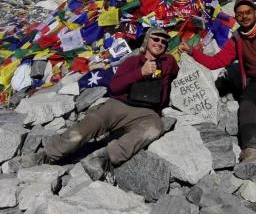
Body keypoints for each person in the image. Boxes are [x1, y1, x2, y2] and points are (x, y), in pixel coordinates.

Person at [44, 28, 179, 180]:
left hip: (147, 112)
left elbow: (183, 67)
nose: (159, 43)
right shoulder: (132, 61)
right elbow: (114, 87)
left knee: (155, 127)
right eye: (156, 39)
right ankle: (48, 154)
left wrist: (192, 52)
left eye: (163, 41)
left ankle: (103, 157)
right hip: (119, 105)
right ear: (147, 41)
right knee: (92, 122)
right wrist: (141, 72)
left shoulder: (169, 62)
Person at [179, 0, 256, 162]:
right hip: (254, 82)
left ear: (254, 14)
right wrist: (192, 52)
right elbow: (216, 62)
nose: (244, 17)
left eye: (248, 12)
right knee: (245, 106)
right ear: (236, 17)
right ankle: (251, 148)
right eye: (240, 14)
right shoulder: (237, 39)